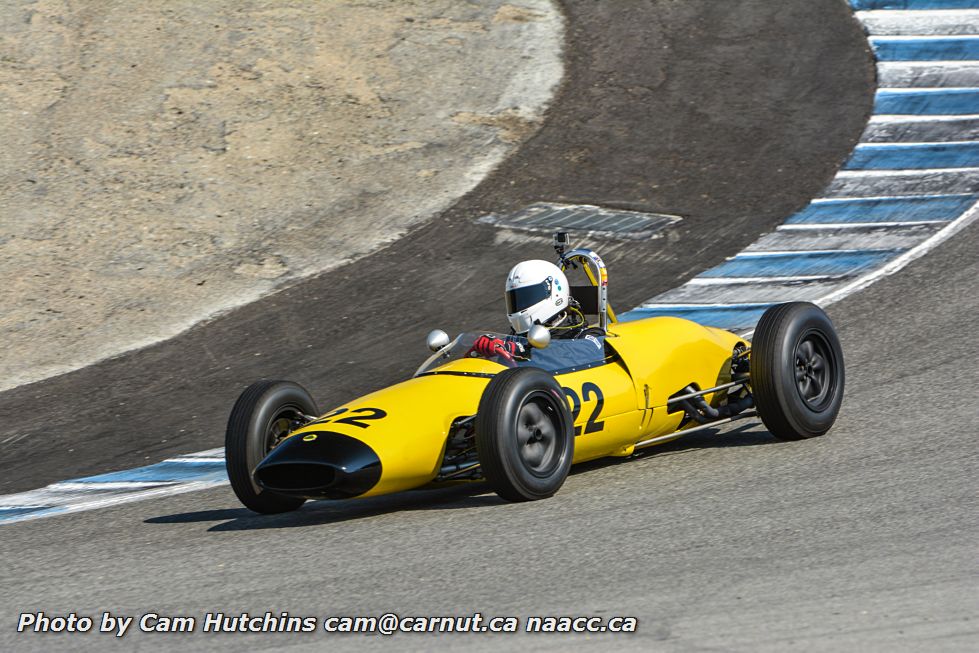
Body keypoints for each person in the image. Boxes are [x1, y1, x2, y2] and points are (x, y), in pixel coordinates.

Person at [470, 259, 604, 360]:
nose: (520, 305)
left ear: (554, 293)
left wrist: (522, 350)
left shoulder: (587, 337)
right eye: (516, 300)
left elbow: (581, 353)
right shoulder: (515, 341)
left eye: (527, 297)